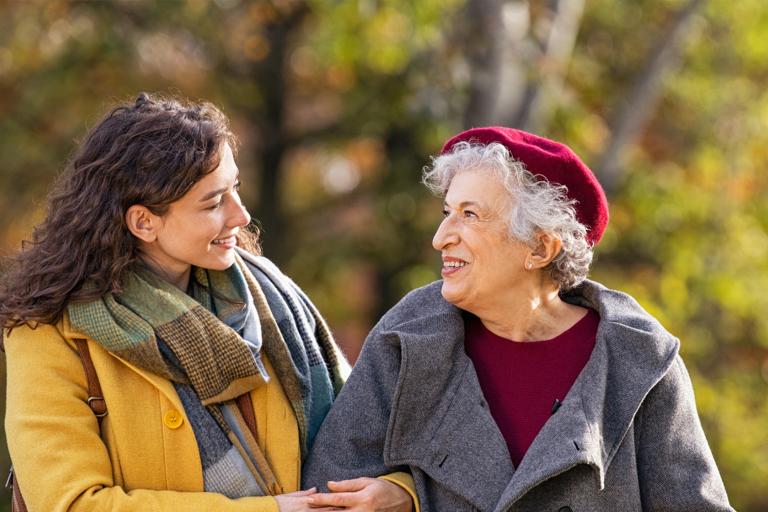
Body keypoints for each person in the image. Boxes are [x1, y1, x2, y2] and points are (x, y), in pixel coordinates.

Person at [1, 93, 414, 512]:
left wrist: (400, 492)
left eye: (234, 188)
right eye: (214, 202)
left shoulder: (272, 302)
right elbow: (69, 504)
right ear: (144, 222)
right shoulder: (49, 334)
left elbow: (366, 432)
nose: (241, 216)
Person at [303, 127, 734, 511]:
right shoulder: (406, 339)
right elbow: (329, 493)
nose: (440, 238)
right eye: (446, 212)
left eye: (469, 215)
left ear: (540, 249)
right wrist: (411, 494)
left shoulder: (638, 361)